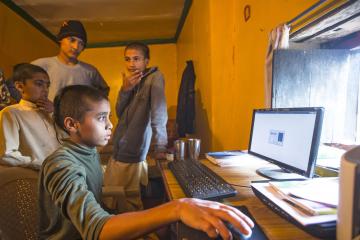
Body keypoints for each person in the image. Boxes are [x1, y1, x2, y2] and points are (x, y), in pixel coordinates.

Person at [38, 85, 254, 240]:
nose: (110, 126)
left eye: (110, 117)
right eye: (102, 118)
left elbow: (98, 210)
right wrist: (177, 208)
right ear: (72, 124)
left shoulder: (88, 152)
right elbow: (97, 230)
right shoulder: (62, 165)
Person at [104, 42, 168, 211]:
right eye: (128, 59)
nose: (131, 64)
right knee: (112, 196)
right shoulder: (130, 80)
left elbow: (159, 112)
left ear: (146, 61)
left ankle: (133, 231)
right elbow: (118, 112)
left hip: (133, 148)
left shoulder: (155, 78)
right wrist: (125, 89)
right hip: (119, 146)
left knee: (127, 199)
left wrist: (161, 145)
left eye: (137, 59)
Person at [32, 20, 109, 102]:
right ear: (60, 40)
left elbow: (104, 90)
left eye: (81, 44)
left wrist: (91, 106)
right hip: (46, 115)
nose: (76, 47)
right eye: (72, 40)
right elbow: (20, 88)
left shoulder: (90, 71)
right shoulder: (41, 65)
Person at [0, 64, 60, 169]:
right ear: (20, 86)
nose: (45, 90)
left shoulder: (51, 113)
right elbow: (7, 154)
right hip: (34, 176)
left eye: (47, 85)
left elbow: (68, 142)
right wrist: (42, 165)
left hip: (61, 173)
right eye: (39, 84)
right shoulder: (11, 113)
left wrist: (56, 113)